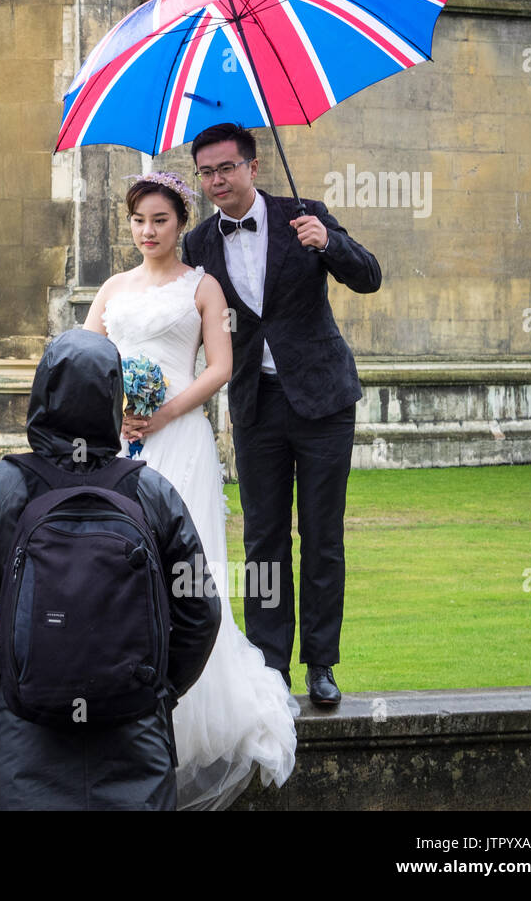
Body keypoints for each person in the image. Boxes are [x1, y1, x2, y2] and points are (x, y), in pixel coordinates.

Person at [84, 171, 298, 810]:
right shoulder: (113, 288)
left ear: (181, 224)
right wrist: (113, 407)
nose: (148, 232)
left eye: (160, 221)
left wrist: (166, 410)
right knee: (110, 564)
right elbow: (80, 353)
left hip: (179, 441)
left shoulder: (203, 287)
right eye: (138, 222)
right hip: (116, 440)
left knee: (182, 569)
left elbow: (224, 368)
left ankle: (185, 704)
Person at [0, 328, 221, 810]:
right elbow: (200, 611)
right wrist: (157, 692)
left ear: (43, 392)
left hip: (23, 740)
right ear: (114, 399)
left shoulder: (0, 488)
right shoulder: (151, 492)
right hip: (132, 742)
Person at [180, 123, 382, 707]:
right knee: (264, 543)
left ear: (253, 166)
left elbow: (368, 276)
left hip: (323, 401)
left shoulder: (305, 214)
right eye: (207, 172)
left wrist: (330, 242)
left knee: (322, 537)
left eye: (226, 168)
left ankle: (321, 664)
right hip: (255, 407)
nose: (217, 180)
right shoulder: (197, 245)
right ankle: (271, 669)